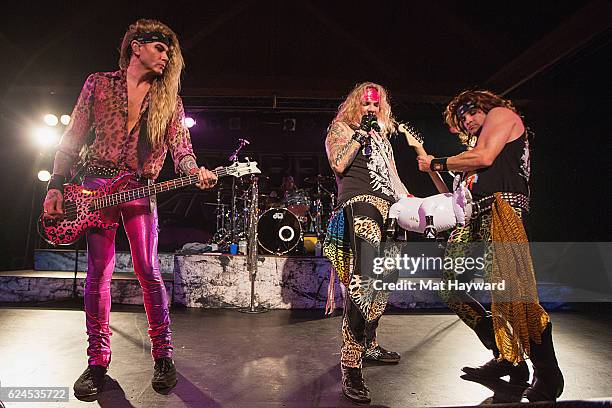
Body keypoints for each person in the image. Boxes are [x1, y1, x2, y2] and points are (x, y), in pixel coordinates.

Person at [42, 19, 217, 397]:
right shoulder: (98, 84)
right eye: (161, 47)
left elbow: (181, 149)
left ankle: (163, 356)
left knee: (148, 269)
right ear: (137, 46)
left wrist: (194, 171)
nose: (166, 56)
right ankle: (97, 362)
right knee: (98, 273)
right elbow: (72, 136)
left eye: (170, 51)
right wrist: (55, 185)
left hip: (140, 187)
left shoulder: (169, 99)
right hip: (94, 188)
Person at [417, 89, 564, 402]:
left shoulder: (501, 116)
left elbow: (484, 158)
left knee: (514, 292)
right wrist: (434, 170)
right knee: (450, 286)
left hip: (502, 208)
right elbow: (454, 194)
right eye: (461, 118)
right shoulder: (475, 145)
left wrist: (438, 162)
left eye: (471, 112)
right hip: (474, 215)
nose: (467, 120)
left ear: (485, 107)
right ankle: (505, 356)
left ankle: (548, 372)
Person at [323, 82, 410, 403]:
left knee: (384, 281)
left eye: (376, 105)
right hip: (360, 202)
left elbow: (393, 175)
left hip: (390, 207)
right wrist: (361, 134)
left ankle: (369, 343)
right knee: (365, 277)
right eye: (366, 104)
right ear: (354, 106)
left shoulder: (384, 139)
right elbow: (339, 164)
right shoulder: (340, 128)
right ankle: (351, 361)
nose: (371, 109)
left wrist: (411, 201)